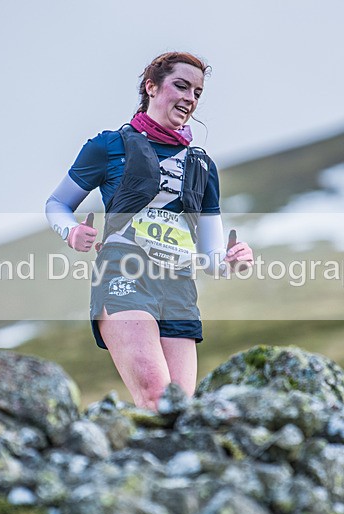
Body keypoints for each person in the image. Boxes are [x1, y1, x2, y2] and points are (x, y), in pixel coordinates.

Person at [45, 52, 253, 410]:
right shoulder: (108, 146)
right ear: (151, 87)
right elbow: (57, 204)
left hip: (178, 289)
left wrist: (233, 260)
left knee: (181, 408)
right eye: (182, 86)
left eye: (198, 92)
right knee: (157, 397)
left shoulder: (202, 165)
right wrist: (71, 233)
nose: (190, 98)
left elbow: (211, 258)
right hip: (124, 276)